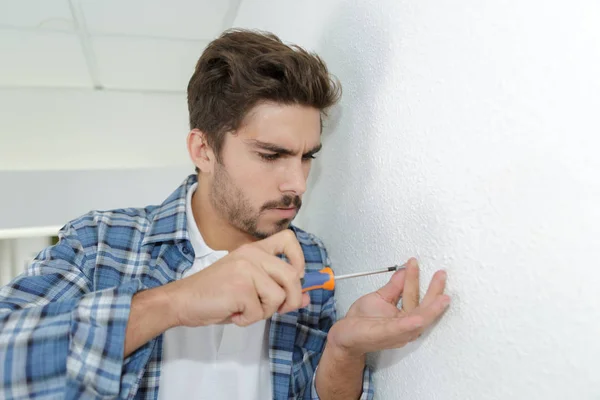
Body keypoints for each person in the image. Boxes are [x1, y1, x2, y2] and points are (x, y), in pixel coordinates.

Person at [0, 29, 450, 400]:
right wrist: (173, 302)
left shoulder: (309, 257)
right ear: (203, 150)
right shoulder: (99, 240)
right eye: (271, 155)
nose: (297, 182)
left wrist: (342, 352)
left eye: (307, 156)